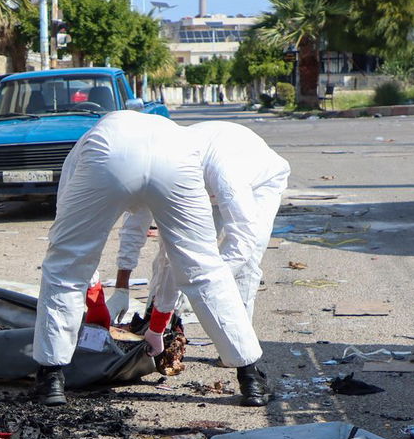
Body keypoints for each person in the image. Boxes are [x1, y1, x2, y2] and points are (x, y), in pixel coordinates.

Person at [32, 110, 273, 408]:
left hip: (112, 153)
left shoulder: (87, 150)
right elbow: (171, 257)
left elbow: (72, 247)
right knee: (205, 269)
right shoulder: (172, 146)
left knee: (65, 265)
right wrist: (154, 319)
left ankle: (51, 378)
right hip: (175, 158)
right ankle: (250, 377)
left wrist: (95, 303)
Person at [108, 120, 291, 322]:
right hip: (207, 184)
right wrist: (121, 287)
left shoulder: (225, 175)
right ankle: (155, 321)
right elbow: (136, 223)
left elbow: (243, 239)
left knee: (247, 262)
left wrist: (205, 290)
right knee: (173, 248)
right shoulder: (157, 168)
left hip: (258, 183)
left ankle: (236, 336)